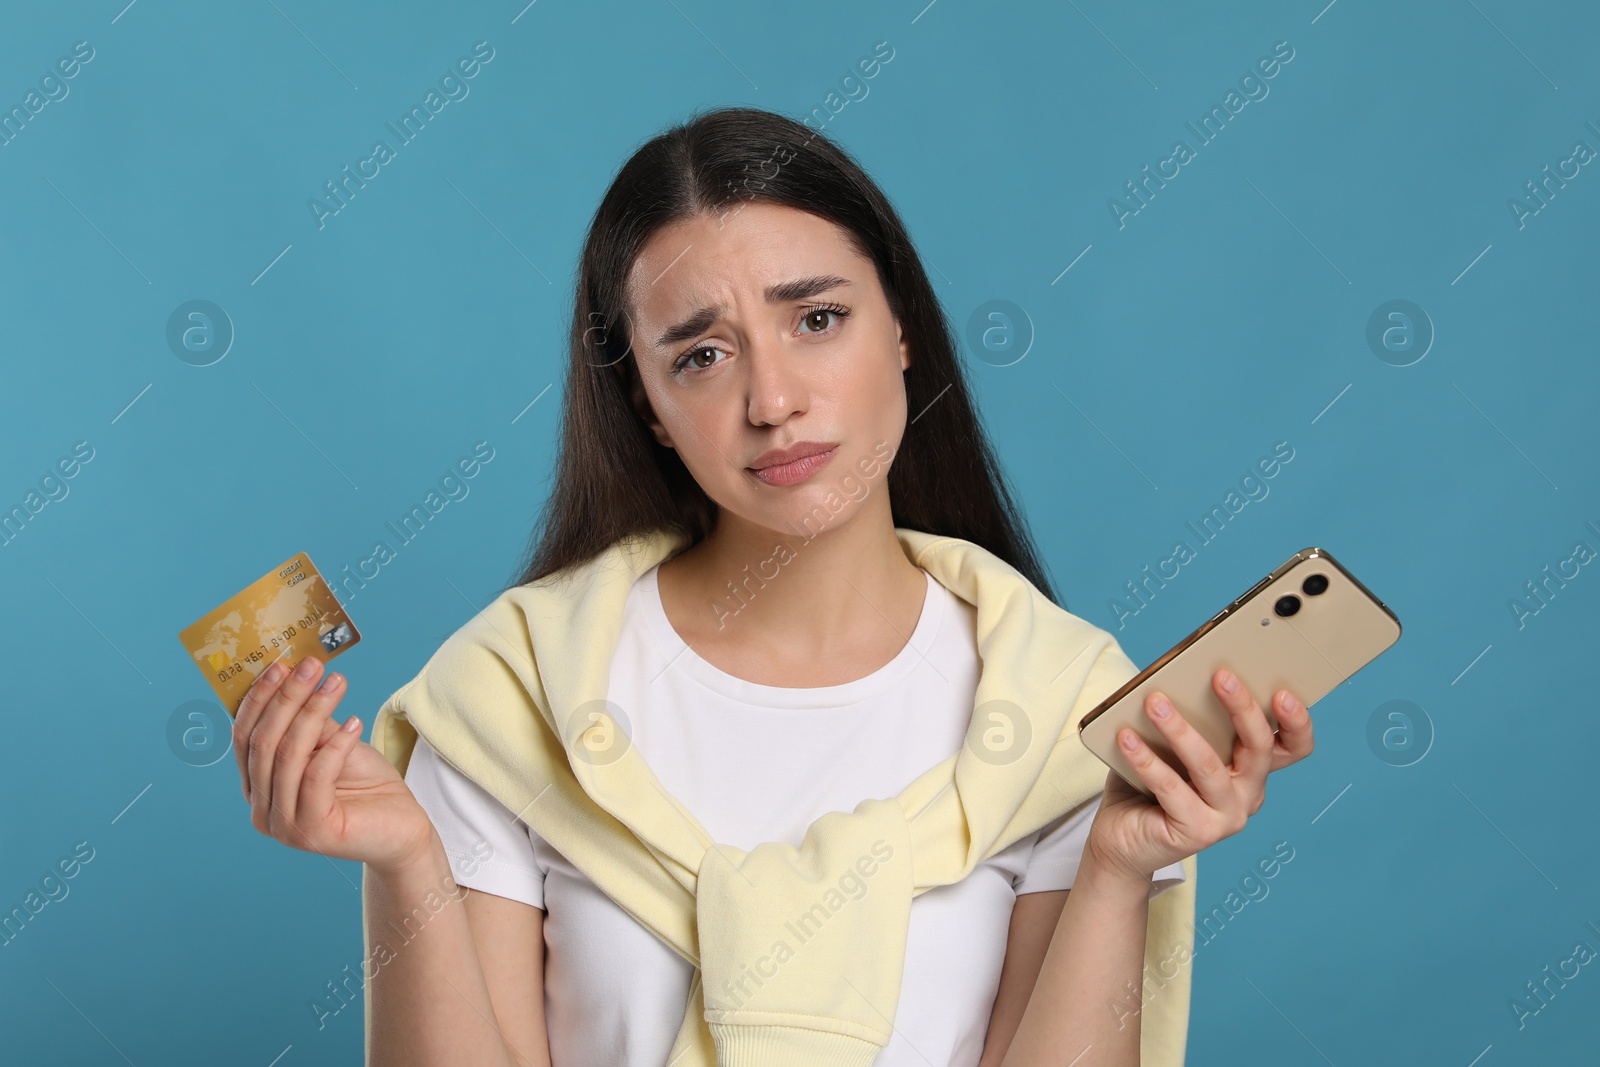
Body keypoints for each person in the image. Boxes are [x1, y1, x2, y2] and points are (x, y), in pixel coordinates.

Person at [232, 106, 1314, 1067]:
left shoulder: (1065, 707)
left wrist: (1119, 867)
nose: (775, 399)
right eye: (701, 354)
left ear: (900, 326)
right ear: (649, 405)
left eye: (818, 318)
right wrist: (405, 860)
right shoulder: (509, 696)